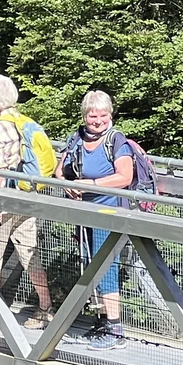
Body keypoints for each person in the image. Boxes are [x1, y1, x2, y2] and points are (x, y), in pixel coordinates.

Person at [0, 75, 55, 330]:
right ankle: (45, 308)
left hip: (6, 199)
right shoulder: (25, 122)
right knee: (29, 254)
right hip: (27, 197)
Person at [60, 90, 137, 350]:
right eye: (93, 116)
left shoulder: (116, 141)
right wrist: (68, 185)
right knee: (91, 265)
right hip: (83, 214)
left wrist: (91, 184)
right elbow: (60, 172)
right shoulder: (76, 139)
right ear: (84, 116)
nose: (99, 121)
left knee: (106, 268)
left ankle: (116, 329)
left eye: (104, 115)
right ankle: (103, 321)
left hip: (108, 213)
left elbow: (124, 177)